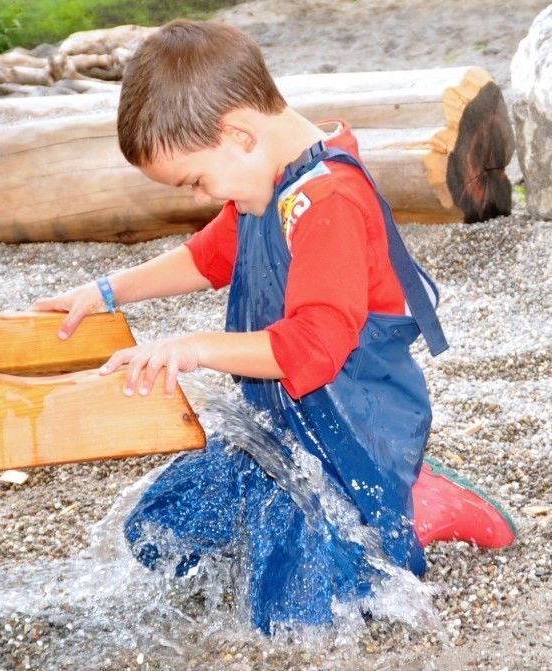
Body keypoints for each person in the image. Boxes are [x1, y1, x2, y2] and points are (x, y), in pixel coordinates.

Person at [31, 19, 516, 633]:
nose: (207, 196)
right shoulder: (267, 187)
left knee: (300, 613)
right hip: (280, 430)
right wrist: (104, 292)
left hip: (357, 435)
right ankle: (369, 508)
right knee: (161, 533)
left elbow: (313, 347)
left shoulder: (328, 204)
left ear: (239, 133)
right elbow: (208, 258)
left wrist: (194, 348)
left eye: (198, 180)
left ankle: (416, 504)